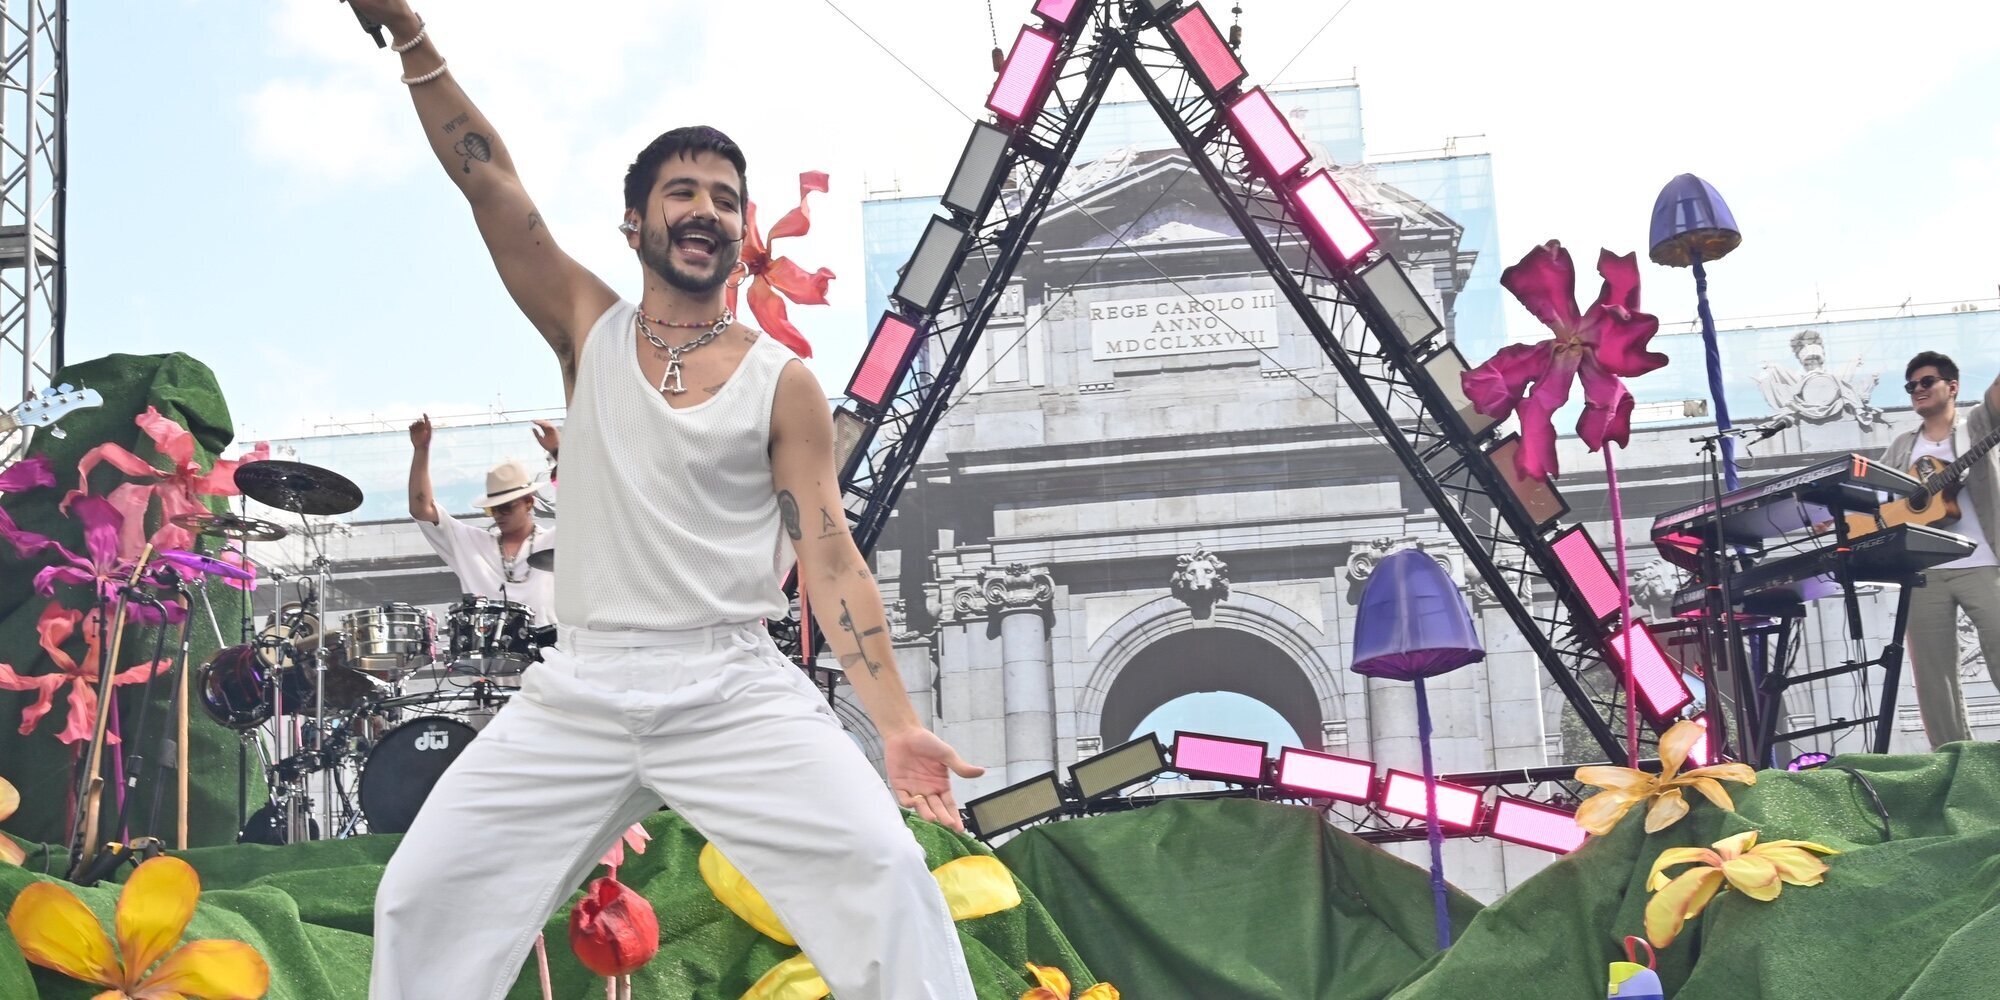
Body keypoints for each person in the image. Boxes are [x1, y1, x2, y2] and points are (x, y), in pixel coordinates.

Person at [348, 3, 985, 998]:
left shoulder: (783, 383)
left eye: (725, 198)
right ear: (635, 222)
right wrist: (412, 40)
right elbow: (487, 180)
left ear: (741, 229)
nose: (705, 209)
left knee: (887, 876)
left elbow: (830, 556)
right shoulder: (584, 327)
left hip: (731, 683)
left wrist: (897, 723)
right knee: (424, 898)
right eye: (679, 191)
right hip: (585, 686)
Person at [1879, 351, 2000, 747]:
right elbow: (1876, 496)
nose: (1917, 390)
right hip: (1924, 571)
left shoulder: (1977, 425)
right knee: (1933, 679)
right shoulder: (1902, 445)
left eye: (1926, 382)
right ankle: (1955, 762)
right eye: (1911, 385)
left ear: (1952, 386)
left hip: (1982, 563)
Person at [407, 414, 558, 625]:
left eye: (506, 507)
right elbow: (421, 508)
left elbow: (588, 505)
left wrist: (557, 451)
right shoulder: (471, 543)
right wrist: (421, 450)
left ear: (528, 503)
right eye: (493, 509)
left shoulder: (554, 542)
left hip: (549, 654)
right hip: (485, 655)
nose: (499, 514)